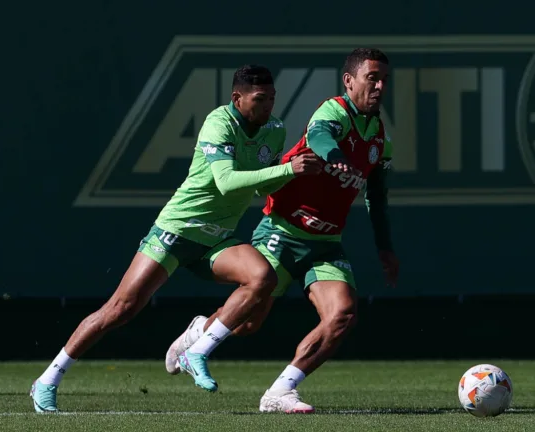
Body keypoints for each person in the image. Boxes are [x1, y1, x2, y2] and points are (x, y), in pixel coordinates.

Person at [30, 65, 323, 413]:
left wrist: (299, 173)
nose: (268, 107)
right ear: (237, 98)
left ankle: (196, 349)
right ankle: (47, 379)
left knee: (263, 278)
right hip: (178, 230)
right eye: (260, 100)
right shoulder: (219, 123)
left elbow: (261, 186)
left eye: (272, 99)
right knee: (120, 309)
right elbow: (226, 181)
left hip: (217, 239)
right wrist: (290, 169)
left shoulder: (273, 130)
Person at [165, 48, 400, 413]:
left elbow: (378, 196)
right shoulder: (333, 111)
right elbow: (321, 135)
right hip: (284, 230)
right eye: (372, 77)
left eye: (384, 78)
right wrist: (335, 157)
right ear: (349, 81)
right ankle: (199, 331)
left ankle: (281, 391)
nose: (380, 85)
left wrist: (384, 248)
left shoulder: (381, 136)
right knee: (247, 324)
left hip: (326, 243)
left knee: (343, 315)